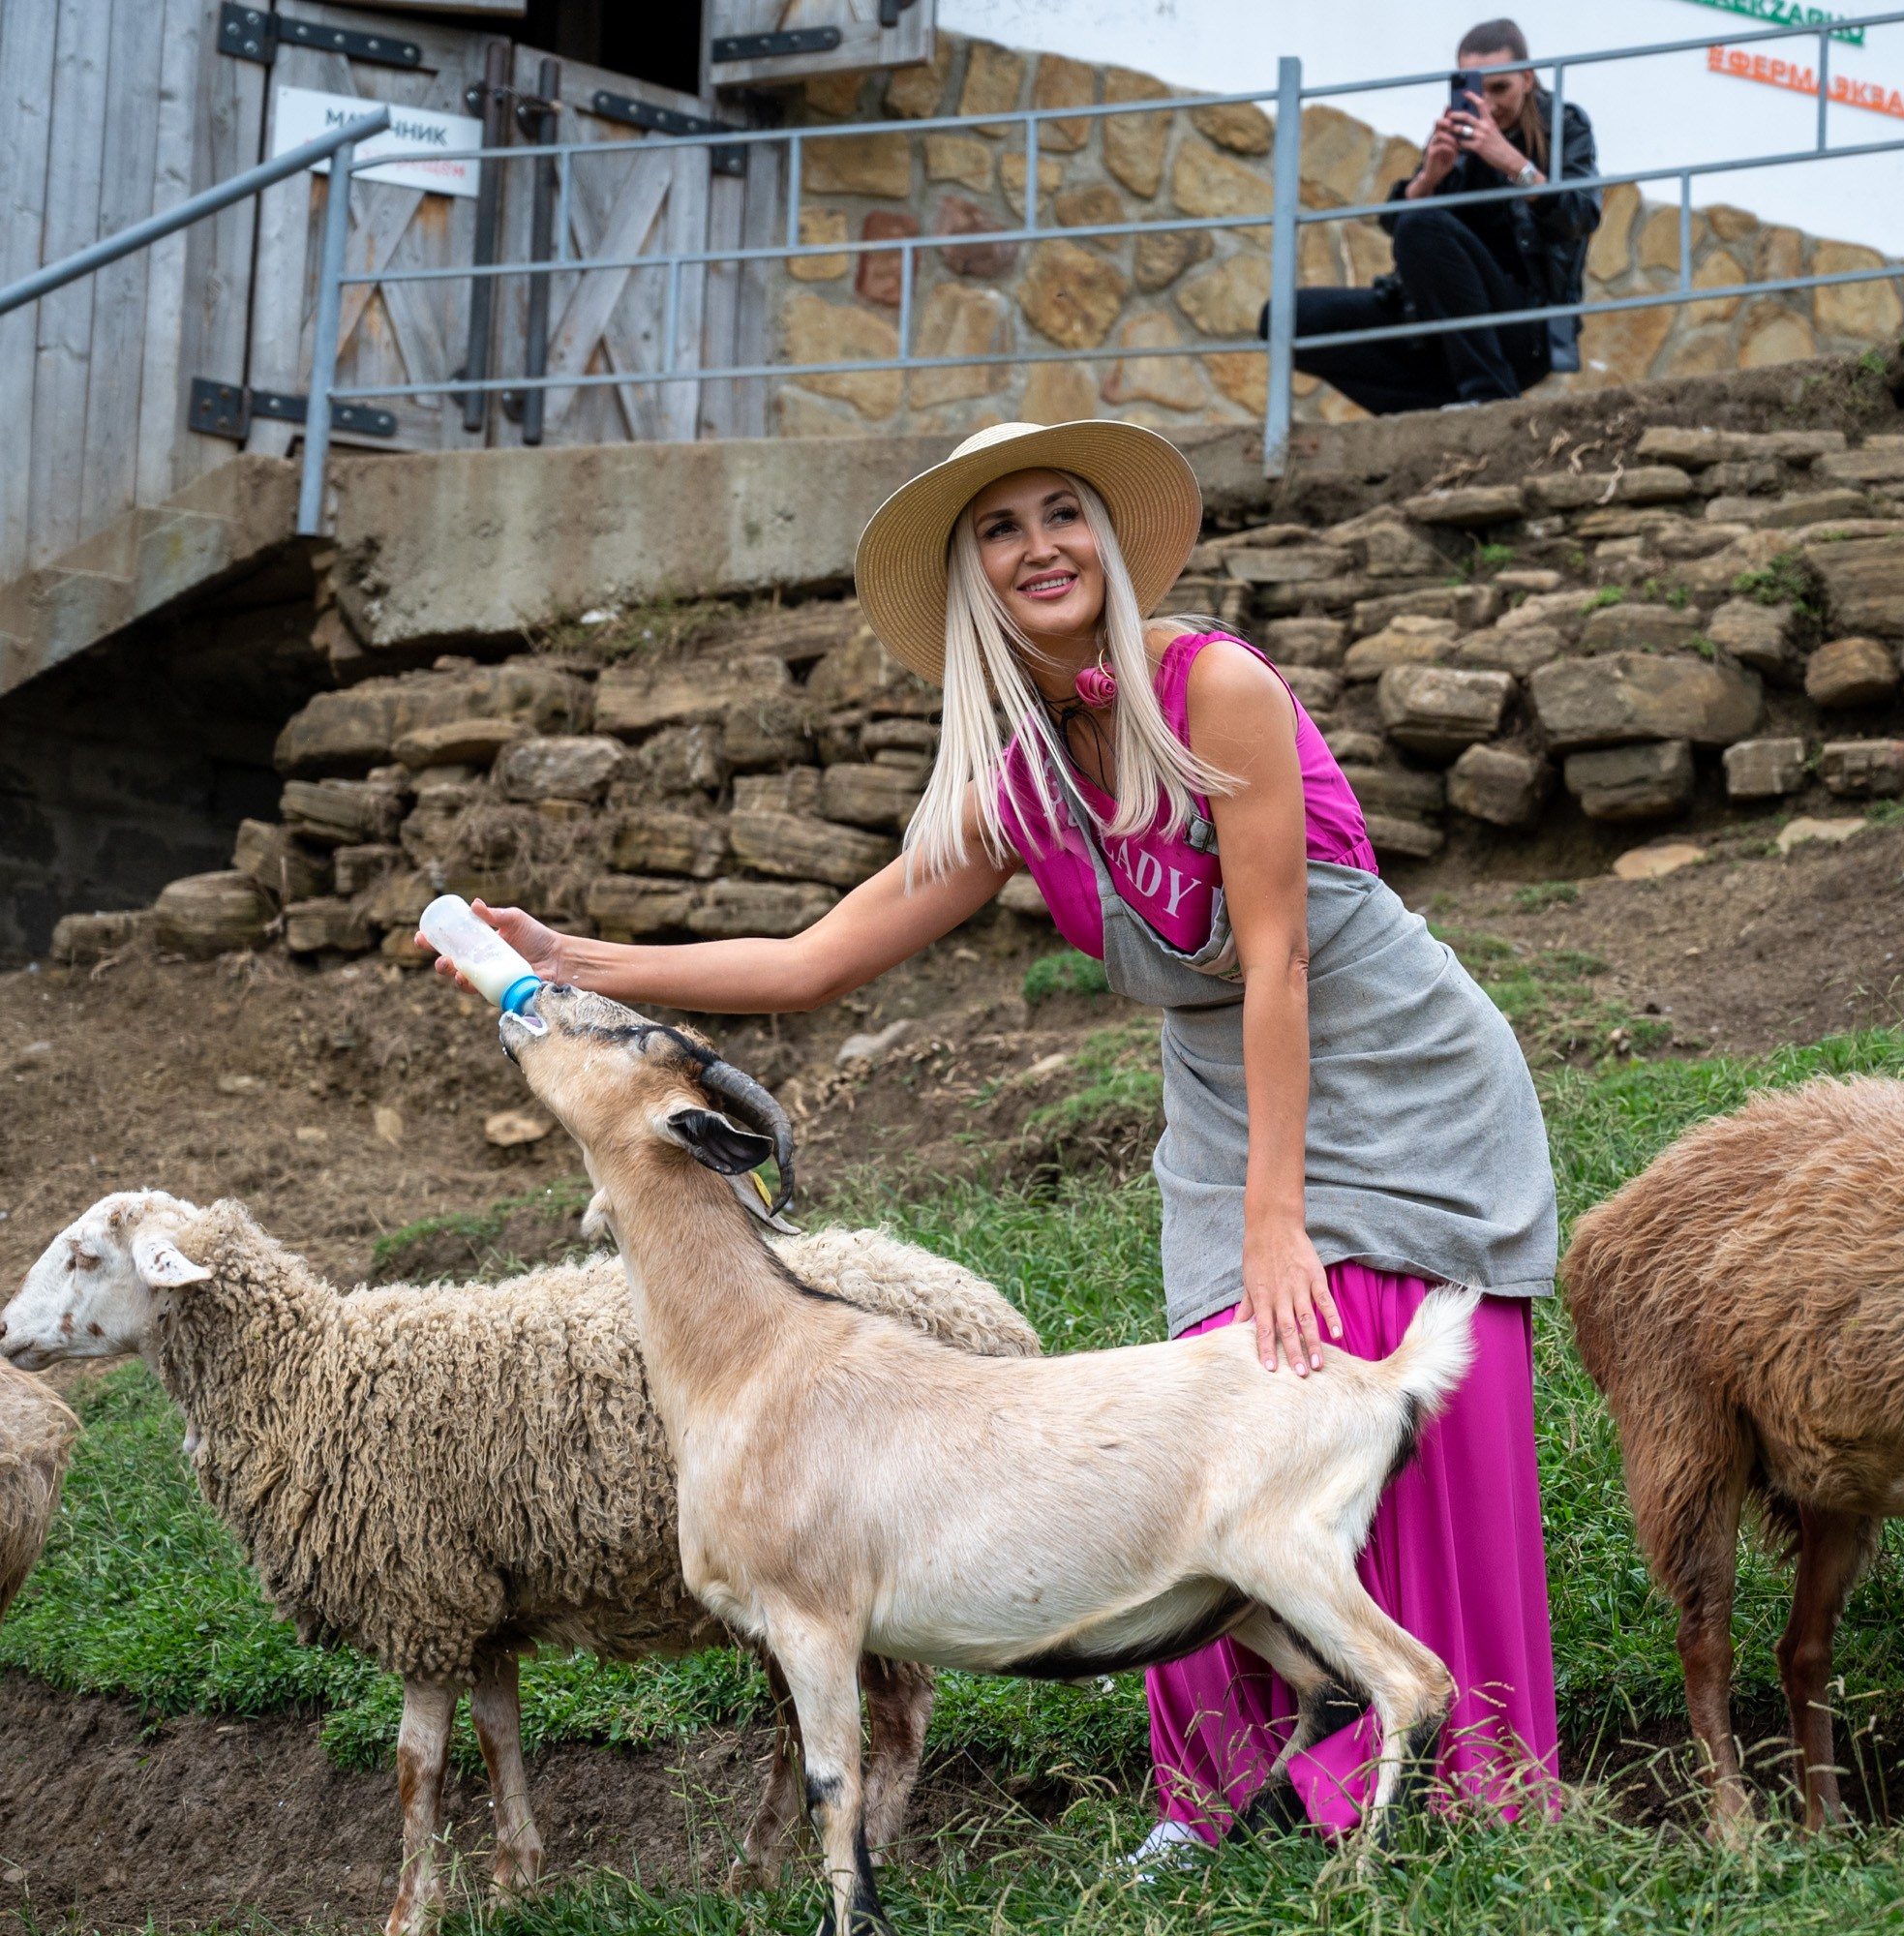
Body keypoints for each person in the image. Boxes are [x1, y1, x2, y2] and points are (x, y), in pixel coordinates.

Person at [426, 419, 1562, 1860]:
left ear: (1105, 538)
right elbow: (811, 961)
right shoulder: (1013, 785)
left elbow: (1276, 962)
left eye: (1061, 513)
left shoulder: (1215, 687)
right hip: (1228, 1099)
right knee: (1196, 1427)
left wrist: (1279, 1220)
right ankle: (1220, 1806)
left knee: (1368, 1368)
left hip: (1395, 1073)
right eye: (1003, 530)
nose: (1041, 546)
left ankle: (1459, 1789)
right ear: (974, 580)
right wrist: (574, 958)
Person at [1269, 18, 1599, 412]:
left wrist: (1513, 163)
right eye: (1474, 88)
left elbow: (1580, 216)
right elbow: (1398, 227)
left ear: (1527, 79)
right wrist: (1429, 176)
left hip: (1526, 328)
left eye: (1500, 88)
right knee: (1284, 319)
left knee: (1423, 224)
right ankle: (1426, 410)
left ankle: (1490, 397)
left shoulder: (1563, 125)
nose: (1488, 105)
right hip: (1436, 324)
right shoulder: (1458, 132)